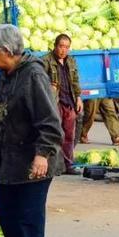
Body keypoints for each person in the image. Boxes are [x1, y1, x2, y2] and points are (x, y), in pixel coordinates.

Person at [0, 24, 63, 237]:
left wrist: (42, 154)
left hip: (34, 160)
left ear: (6, 51)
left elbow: (51, 122)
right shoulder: (5, 73)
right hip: (9, 160)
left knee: (29, 215)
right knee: (6, 210)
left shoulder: (33, 76)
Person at [42, 34, 83, 174]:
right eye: (61, 46)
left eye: (66, 47)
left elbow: (75, 80)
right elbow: (39, 80)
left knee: (69, 135)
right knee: (56, 134)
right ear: (55, 46)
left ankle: (68, 164)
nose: (63, 50)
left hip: (69, 101)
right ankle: (55, 166)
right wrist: (49, 85)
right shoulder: (46, 61)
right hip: (55, 102)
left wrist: (78, 97)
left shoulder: (71, 61)